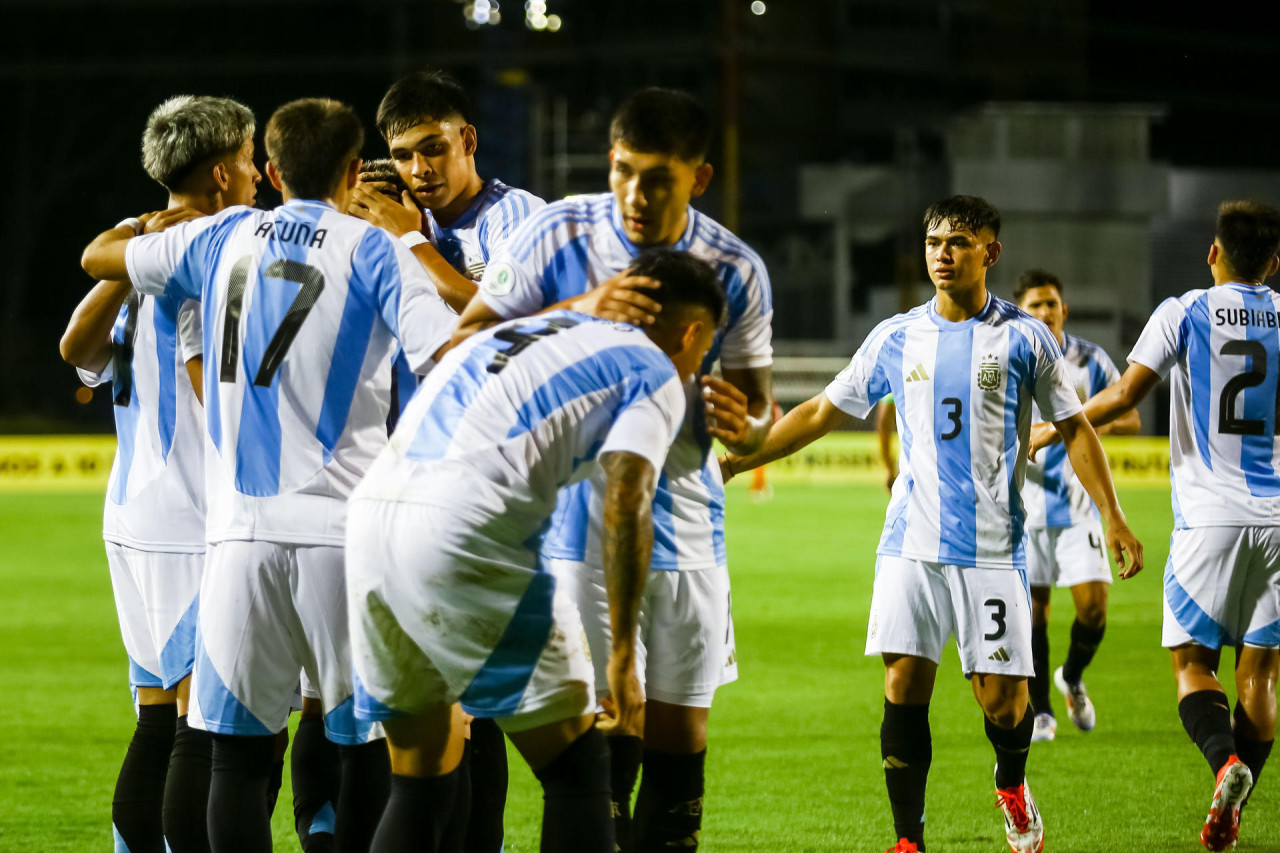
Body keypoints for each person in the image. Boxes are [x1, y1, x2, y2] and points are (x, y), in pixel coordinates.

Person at [79, 96, 459, 853]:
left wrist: (139, 229)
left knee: (235, 758)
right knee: (361, 753)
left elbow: (99, 259)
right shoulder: (373, 248)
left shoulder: (217, 236)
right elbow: (449, 356)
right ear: (356, 169)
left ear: (275, 169)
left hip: (236, 539)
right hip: (342, 537)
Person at [720, 195, 1143, 853]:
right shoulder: (895, 336)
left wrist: (1114, 517)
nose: (943, 253)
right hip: (909, 543)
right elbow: (822, 411)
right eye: (934, 242)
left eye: (959, 242)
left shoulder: (1025, 337)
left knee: (1004, 705)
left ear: (989, 253)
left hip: (992, 548)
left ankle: (1010, 780)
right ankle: (908, 838)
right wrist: (743, 457)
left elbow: (1075, 429)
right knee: (902, 683)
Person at [452, 87, 774, 852]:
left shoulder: (737, 267)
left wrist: (747, 426)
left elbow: (761, 416)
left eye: (658, 178)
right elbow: (466, 346)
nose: (635, 194)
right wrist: (586, 306)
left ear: (698, 177)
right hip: (575, 534)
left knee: (678, 760)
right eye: (624, 171)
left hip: (688, 530)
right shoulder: (553, 231)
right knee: (596, 757)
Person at [347, 249, 724, 853]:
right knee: (578, 771)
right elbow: (627, 502)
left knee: (417, 773)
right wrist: (625, 664)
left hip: (370, 522)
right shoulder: (655, 369)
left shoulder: (526, 327)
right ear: (692, 332)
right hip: (462, 530)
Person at [1029, 199, 1280, 851]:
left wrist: (1050, 430)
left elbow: (1122, 397)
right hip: (1278, 518)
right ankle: (1237, 802)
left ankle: (1226, 763)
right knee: (1261, 676)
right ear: (1275, 265)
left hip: (1209, 517)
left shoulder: (1186, 310)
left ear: (1212, 253)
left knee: (1195, 665)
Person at [352, 70, 548, 852]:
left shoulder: (520, 219)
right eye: (401, 156)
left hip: (486, 487)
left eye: (433, 149)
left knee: (476, 698)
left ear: (468, 139)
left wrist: (406, 238)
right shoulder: (382, 223)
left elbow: (495, 323)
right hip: (394, 482)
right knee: (390, 702)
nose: (419, 170)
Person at [60, 94, 259, 853]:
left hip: (131, 515)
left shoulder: (136, 250)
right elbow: (216, 391)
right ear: (220, 171)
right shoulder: (208, 254)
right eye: (247, 158)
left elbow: (76, 347)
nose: (256, 173)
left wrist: (134, 238)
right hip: (192, 519)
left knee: (155, 715)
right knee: (202, 727)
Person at [1013, 269, 1140, 742]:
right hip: (1026, 507)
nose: (1044, 311)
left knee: (1093, 610)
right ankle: (1042, 708)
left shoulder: (1090, 360)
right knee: (1035, 612)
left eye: (1051, 303)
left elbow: (1129, 416)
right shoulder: (1011, 358)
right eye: (1034, 305)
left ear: (1064, 309)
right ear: (1021, 313)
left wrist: (1082, 425)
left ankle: (1072, 675)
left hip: (1078, 506)